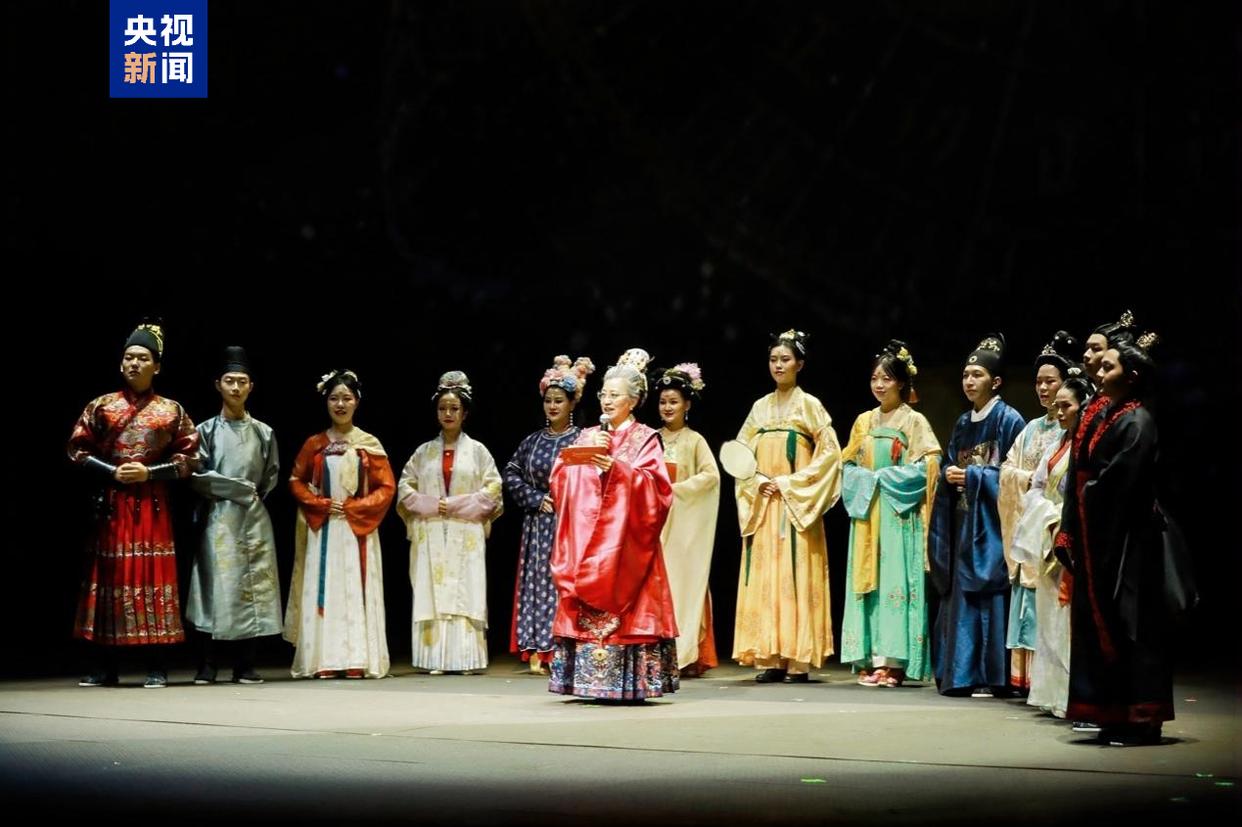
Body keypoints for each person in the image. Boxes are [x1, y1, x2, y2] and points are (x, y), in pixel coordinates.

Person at [1056, 333, 1174, 745]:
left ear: (1132, 376)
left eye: (1109, 367)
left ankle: (1141, 716)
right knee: (1098, 621)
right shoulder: (1100, 412)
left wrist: (1087, 493)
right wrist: (1070, 522)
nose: (1100, 373)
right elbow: (1080, 469)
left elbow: (1122, 481)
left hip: (1127, 540)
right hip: (1096, 535)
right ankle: (1108, 711)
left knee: (1131, 622)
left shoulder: (1138, 420)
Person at [69, 321, 199, 688]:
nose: (134, 364)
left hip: (152, 505)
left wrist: (149, 472)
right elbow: (76, 449)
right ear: (120, 363)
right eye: (129, 357)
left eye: (142, 358)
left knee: (154, 578)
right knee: (109, 579)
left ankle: (157, 665)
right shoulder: (102, 406)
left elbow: (191, 459)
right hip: (111, 505)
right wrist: (111, 471)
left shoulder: (171, 410)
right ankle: (104, 666)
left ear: (157, 366)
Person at [548, 348, 678, 701]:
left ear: (633, 401)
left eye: (615, 395)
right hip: (586, 536)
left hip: (625, 543)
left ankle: (632, 682)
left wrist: (619, 471)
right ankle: (585, 680)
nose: (607, 401)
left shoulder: (645, 438)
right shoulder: (588, 435)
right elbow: (559, 479)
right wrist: (586, 462)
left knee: (631, 604)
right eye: (604, 394)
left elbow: (658, 490)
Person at [732, 330, 843, 684]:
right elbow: (739, 454)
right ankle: (771, 656)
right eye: (773, 359)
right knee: (768, 576)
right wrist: (755, 481)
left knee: (796, 575)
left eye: (785, 359)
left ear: (800, 364)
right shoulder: (759, 407)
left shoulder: (810, 405)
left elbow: (830, 455)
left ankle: (798, 659)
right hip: (766, 503)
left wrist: (791, 483)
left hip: (796, 506)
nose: (778, 365)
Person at [839, 340, 941, 688]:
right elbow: (847, 466)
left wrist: (884, 477)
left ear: (901, 382)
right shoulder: (863, 421)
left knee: (895, 581)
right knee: (868, 583)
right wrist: (865, 480)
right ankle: (870, 658)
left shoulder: (914, 421)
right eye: (874, 378)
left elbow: (929, 465)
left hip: (898, 513)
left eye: (886, 378)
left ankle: (895, 662)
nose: (879, 385)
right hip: (868, 510)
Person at [930, 333, 1026, 697]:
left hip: (991, 525)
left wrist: (972, 476)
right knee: (961, 596)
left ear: (996, 381)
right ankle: (962, 673)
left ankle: (991, 675)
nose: (969, 381)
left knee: (989, 595)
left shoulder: (1008, 419)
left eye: (977, 375)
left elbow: (1014, 477)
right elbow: (948, 462)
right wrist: (949, 475)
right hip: (963, 520)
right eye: (966, 375)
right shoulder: (961, 422)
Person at [284, 370, 394, 679]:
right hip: (325, 528)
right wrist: (319, 504)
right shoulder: (315, 444)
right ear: (326, 402)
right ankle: (325, 659)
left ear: (357, 401)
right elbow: (295, 481)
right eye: (334, 398)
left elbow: (386, 488)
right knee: (327, 588)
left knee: (355, 589)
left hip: (357, 528)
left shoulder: (368, 444)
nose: (340, 404)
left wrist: (355, 507)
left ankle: (357, 657)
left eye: (347, 398)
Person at [186, 346, 282, 685]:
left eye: (242, 381)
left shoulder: (264, 432)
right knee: (215, 586)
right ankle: (208, 663)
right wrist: (239, 490)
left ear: (251, 386)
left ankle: (246, 664)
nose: (236, 387)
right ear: (218, 385)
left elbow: (270, 475)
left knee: (252, 587)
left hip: (254, 518)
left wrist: (249, 497)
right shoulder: (204, 430)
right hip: (218, 517)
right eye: (230, 381)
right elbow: (197, 476)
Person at [397, 371, 503, 675]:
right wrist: (432, 505)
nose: (448, 413)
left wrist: (454, 504)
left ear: (465, 413)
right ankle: (434, 659)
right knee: (432, 589)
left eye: (454, 408)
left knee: (466, 590)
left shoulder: (478, 452)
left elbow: (493, 490)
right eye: (443, 408)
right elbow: (405, 489)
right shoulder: (423, 453)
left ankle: (466, 659)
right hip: (432, 530)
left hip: (464, 530)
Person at [998, 331, 1081, 692]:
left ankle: (1053, 681)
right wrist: (1027, 479)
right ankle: (1031, 680)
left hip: (1054, 521)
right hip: (1032, 518)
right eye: (1038, 382)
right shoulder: (1031, 429)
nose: (1044, 389)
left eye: (1051, 381)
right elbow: (1007, 469)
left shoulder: (1072, 431)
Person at [504, 356, 594, 675]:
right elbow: (511, 473)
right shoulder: (532, 441)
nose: (553, 406)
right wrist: (535, 498)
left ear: (572, 403)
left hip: (571, 524)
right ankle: (538, 648)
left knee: (566, 583)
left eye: (559, 400)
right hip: (539, 524)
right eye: (548, 400)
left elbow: (593, 478)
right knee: (538, 584)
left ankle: (567, 647)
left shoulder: (583, 439)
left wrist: (569, 500)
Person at [1011, 376, 1093, 718]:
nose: (1059, 413)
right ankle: (1053, 694)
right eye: (1057, 406)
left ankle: (1073, 695)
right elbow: (1037, 486)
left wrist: (1060, 518)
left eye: (1066, 406)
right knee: (1049, 620)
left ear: (1083, 407)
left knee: (1067, 620)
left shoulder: (1086, 446)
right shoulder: (1058, 443)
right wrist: (1045, 514)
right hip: (1049, 534)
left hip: (1070, 536)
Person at [653, 362, 720, 677]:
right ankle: (654, 652)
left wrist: (676, 489)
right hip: (654, 523)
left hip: (684, 527)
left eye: (674, 401)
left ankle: (685, 653)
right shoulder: (650, 439)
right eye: (663, 402)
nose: (667, 407)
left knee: (683, 584)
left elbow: (711, 476)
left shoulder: (695, 441)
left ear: (687, 405)